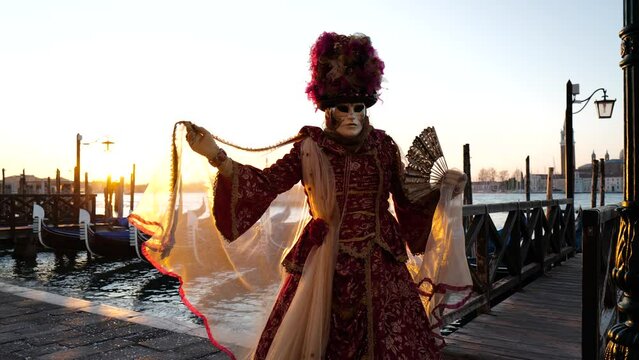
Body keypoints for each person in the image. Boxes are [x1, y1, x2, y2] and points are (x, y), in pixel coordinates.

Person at [180, 32, 471, 359]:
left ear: (367, 108)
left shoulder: (384, 147)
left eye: (357, 107)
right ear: (326, 109)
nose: (351, 115)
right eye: (341, 107)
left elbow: (407, 200)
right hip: (323, 265)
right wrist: (214, 154)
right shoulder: (310, 148)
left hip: (382, 262)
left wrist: (444, 190)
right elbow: (266, 183)